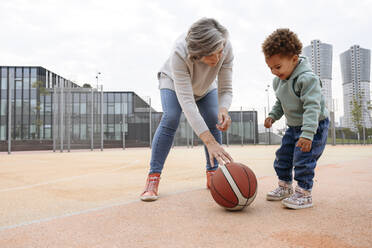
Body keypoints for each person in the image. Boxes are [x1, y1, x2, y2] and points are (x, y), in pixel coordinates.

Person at [140, 18, 234, 201]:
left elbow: (226, 88)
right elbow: (187, 103)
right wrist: (209, 141)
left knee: (213, 118)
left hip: (206, 86)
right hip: (173, 83)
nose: (218, 58)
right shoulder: (180, 52)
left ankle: (213, 175)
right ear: (197, 54)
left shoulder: (226, 47)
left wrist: (223, 108)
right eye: (211, 55)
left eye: (220, 52)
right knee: (171, 118)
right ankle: (153, 178)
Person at [262, 28, 329, 209]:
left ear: (294, 59)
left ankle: (304, 193)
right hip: (293, 127)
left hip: (314, 126)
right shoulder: (279, 81)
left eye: (277, 67)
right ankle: (285, 186)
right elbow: (280, 102)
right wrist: (272, 115)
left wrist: (308, 134)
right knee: (283, 156)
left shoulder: (307, 79)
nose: (274, 72)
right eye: (270, 67)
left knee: (303, 159)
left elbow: (312, 107)